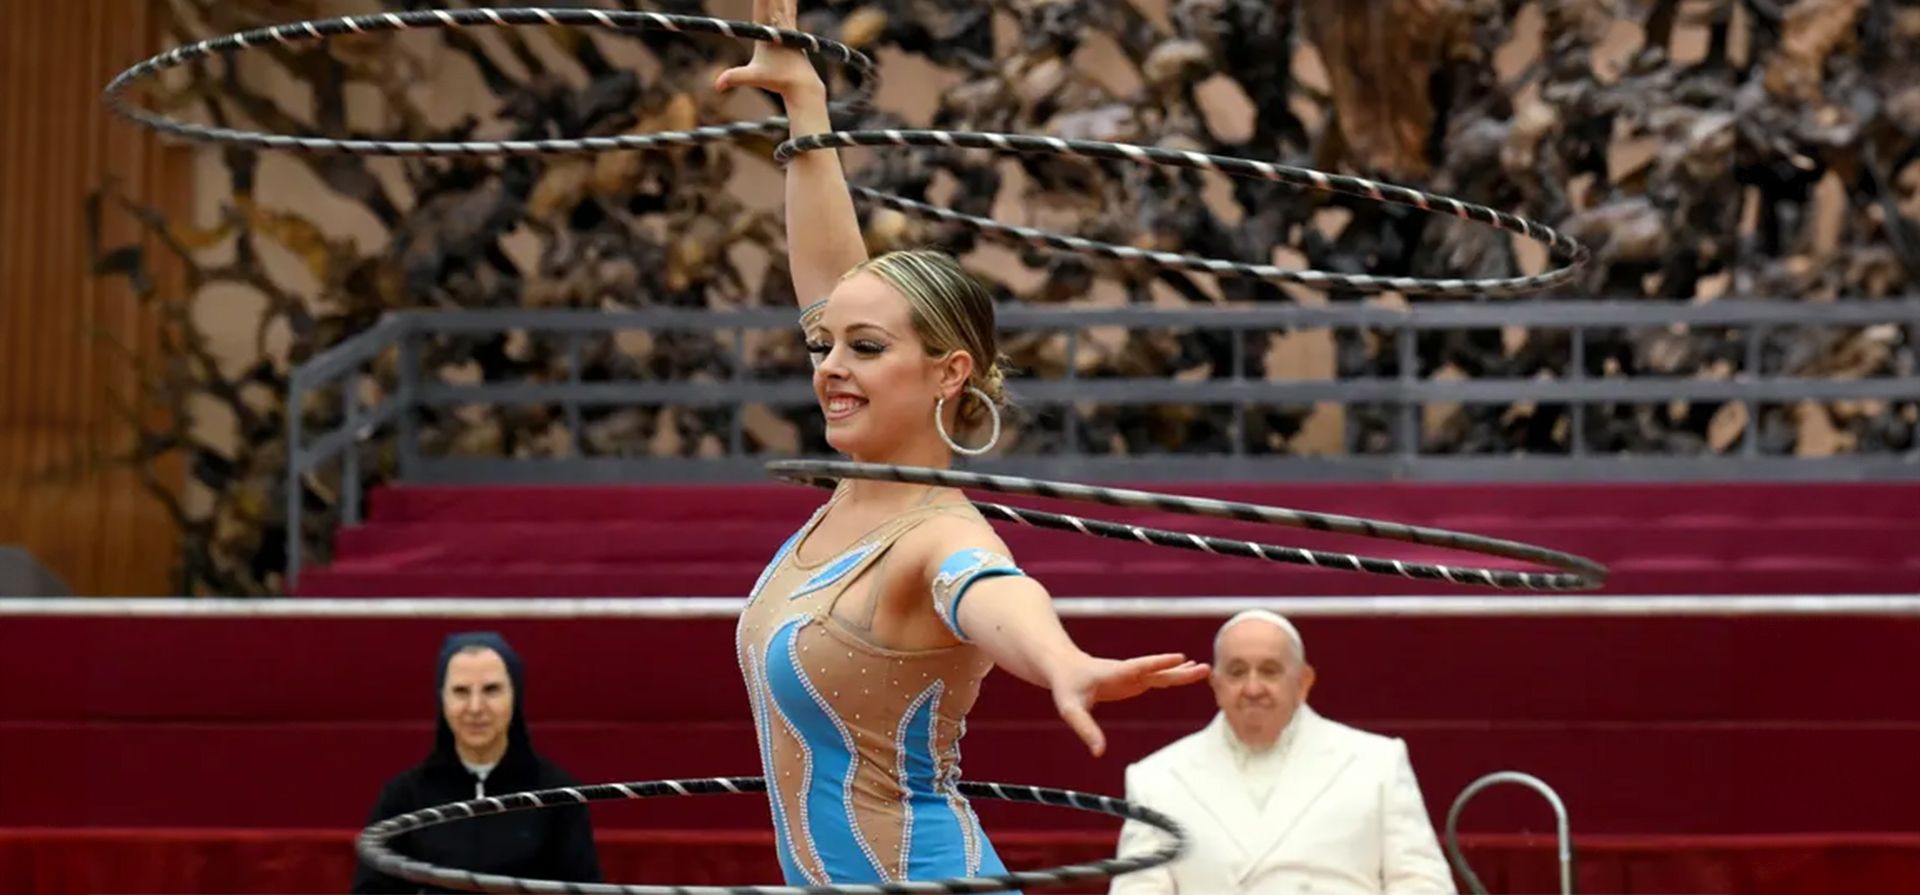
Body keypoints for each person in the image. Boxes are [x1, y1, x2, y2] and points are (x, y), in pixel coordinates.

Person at [714, 2, 1212, 889]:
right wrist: (804, 105)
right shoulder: (855, 500)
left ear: (948, 374)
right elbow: (837, 283)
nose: (829, 366)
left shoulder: (939, 534)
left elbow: (993, 592)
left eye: (866, 351)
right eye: (823, 346)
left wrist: (1064, 661)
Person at [1107, 611, 1456, 894]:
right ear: (1215, 684)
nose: (1253, 687)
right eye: (1237, 671)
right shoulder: (1156, 778)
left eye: (1270, 671)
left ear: (1303, 682)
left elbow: (1423, 884)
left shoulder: (1376, 762)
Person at [351, 632, 602, 893]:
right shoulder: (402, 798)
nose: (475, 707)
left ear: (514, 695)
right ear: (442, 698)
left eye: (491, 690)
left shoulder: (559, 797)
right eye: (461, 691)